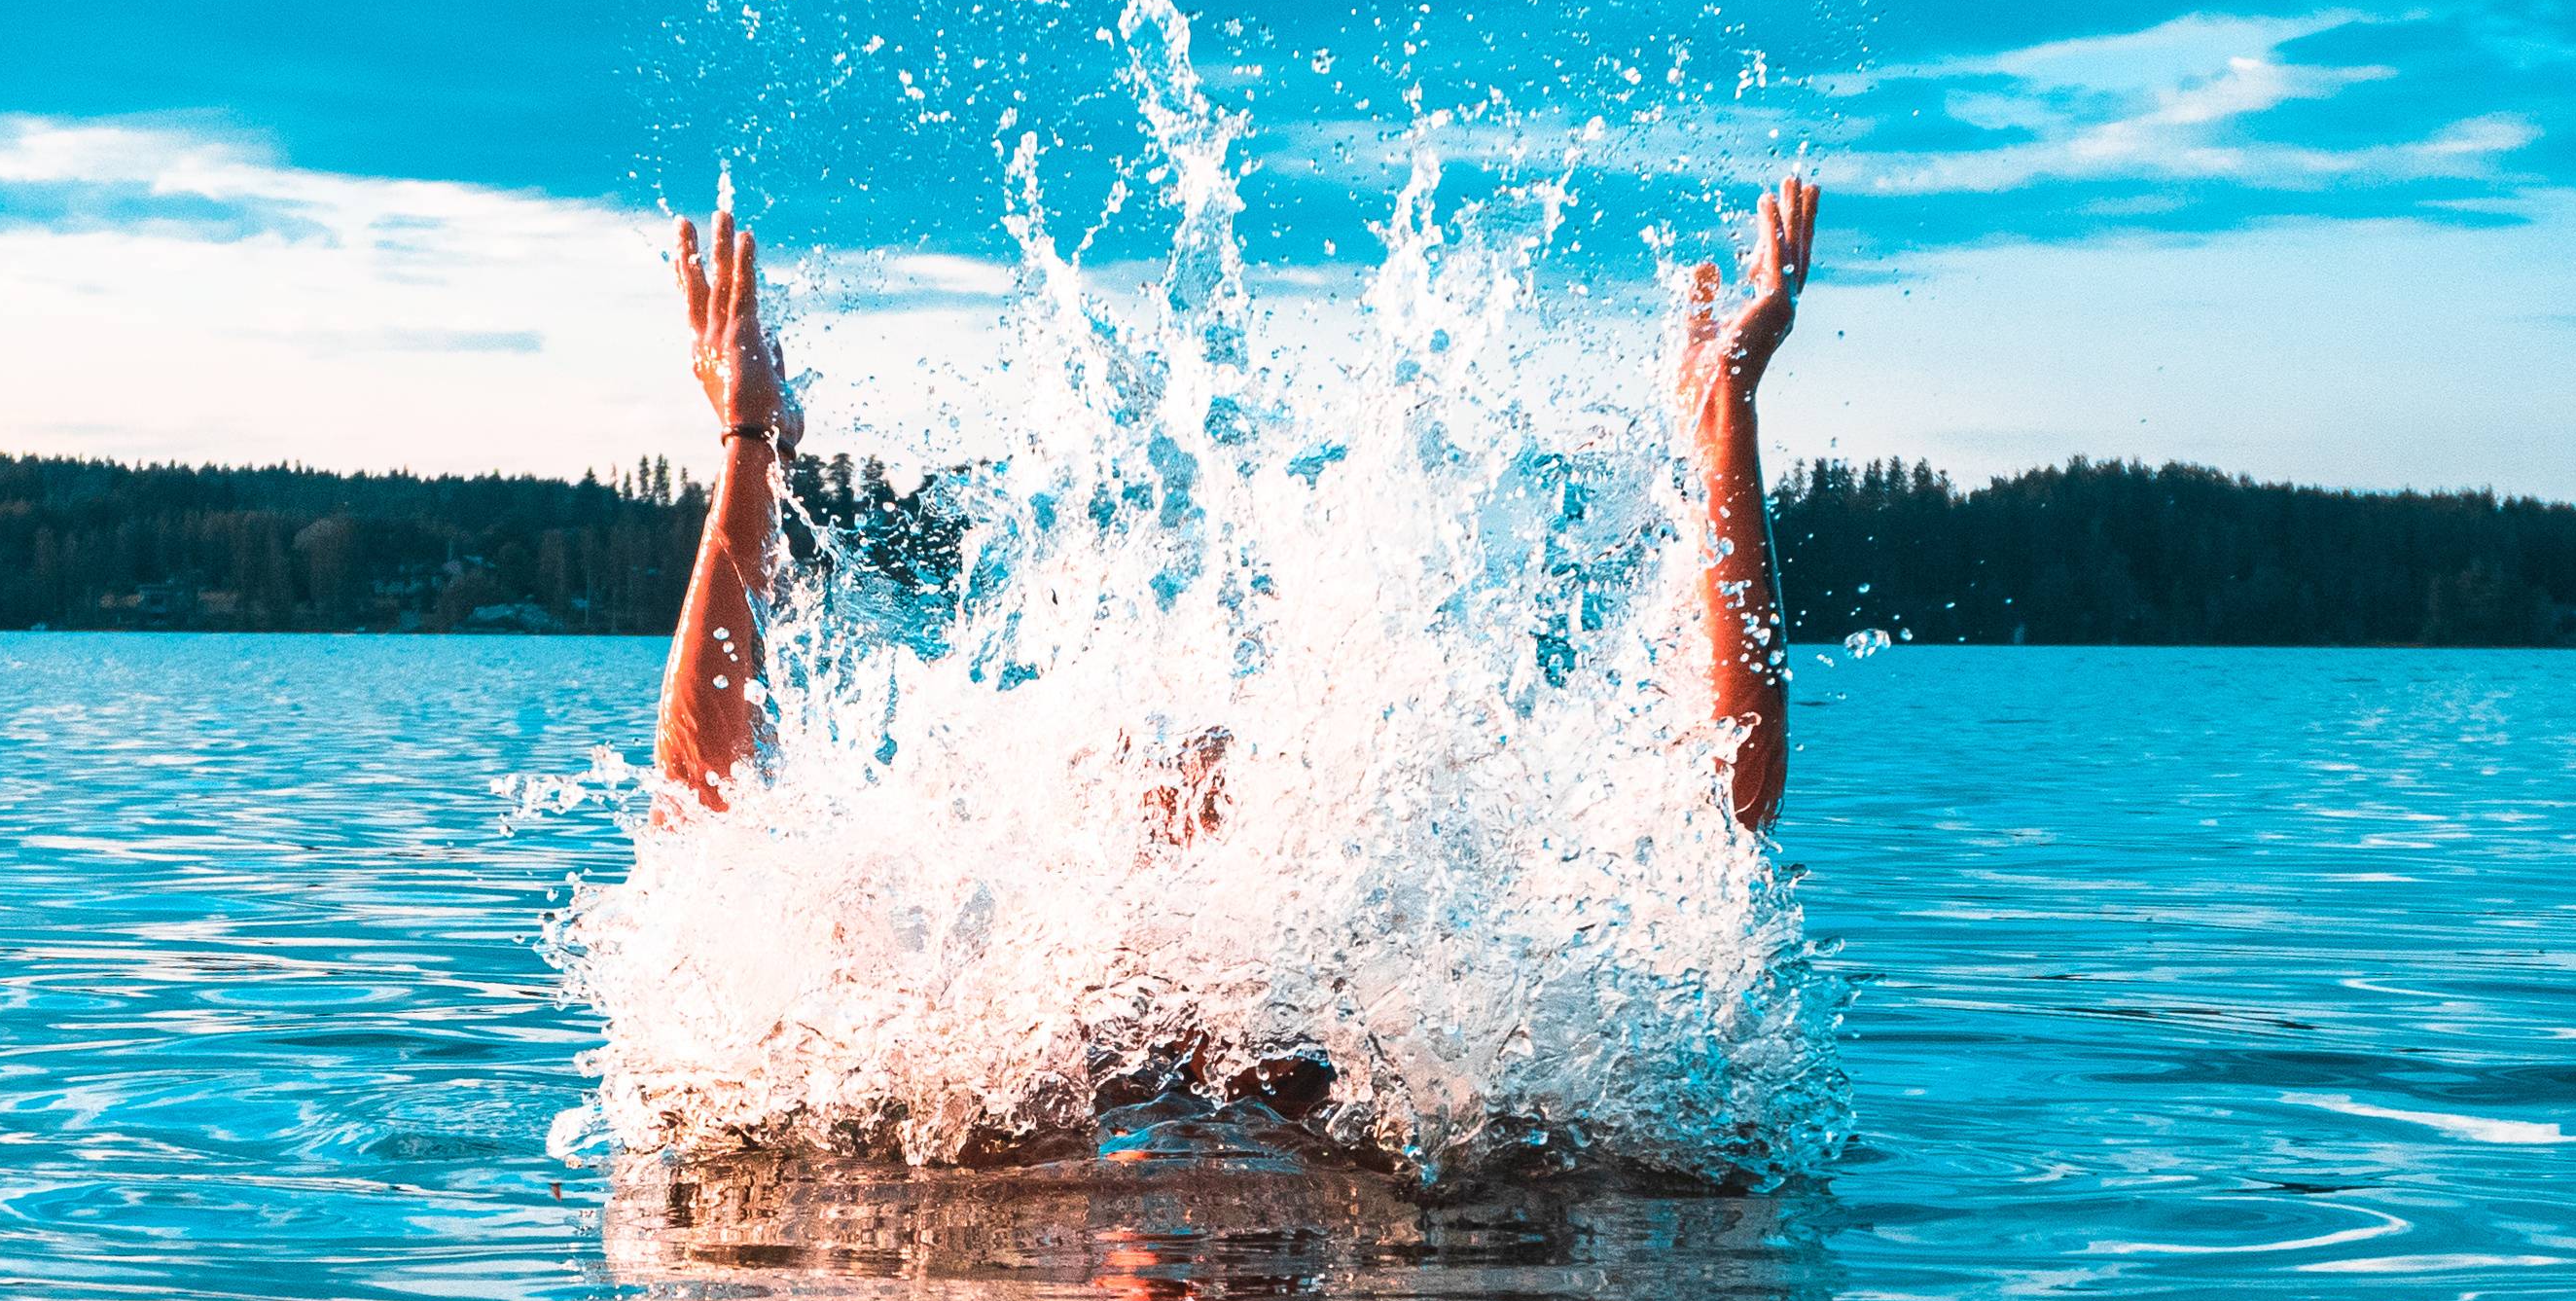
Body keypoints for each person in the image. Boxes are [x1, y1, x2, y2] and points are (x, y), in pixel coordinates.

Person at [647, 179, 1823, 838]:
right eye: (1168, 792)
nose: (1185, 795)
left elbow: (1718, 814)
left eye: (1204, 794)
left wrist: (1725, 419)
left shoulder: (1342, 984)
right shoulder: (1014, 980)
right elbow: (704, 819)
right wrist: (748, 450)